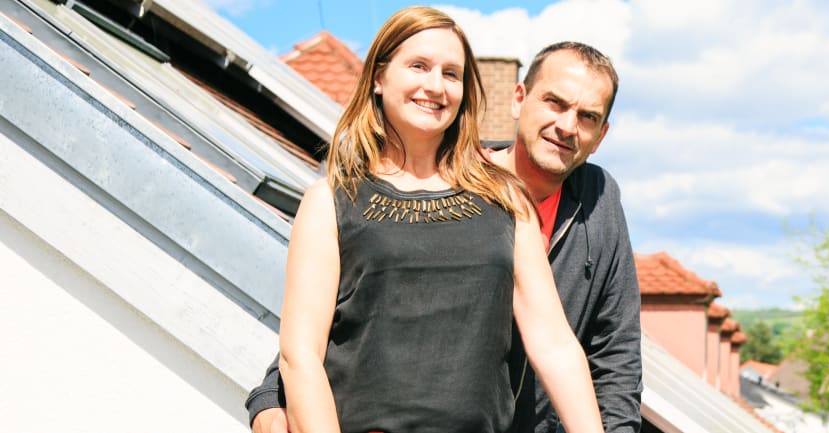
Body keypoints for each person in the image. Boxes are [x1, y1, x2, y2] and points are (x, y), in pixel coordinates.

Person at [248, 41, 643, 433]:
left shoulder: (599, 204)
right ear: (518, 99)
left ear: (601, 135)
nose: (567, 126)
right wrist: (270, 398)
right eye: (555, 103)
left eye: (587, 117)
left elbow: (613, 358)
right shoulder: (446, 188)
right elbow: (341, 318)